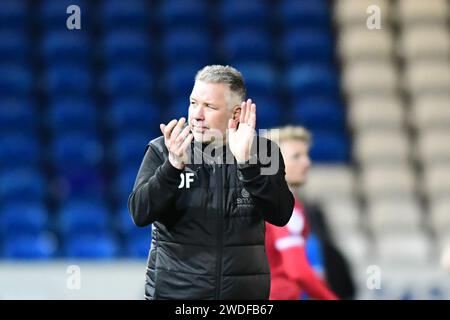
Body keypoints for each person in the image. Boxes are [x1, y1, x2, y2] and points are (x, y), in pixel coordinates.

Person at [128, 65, 294, 300]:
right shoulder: (164, 149)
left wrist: (247, 162)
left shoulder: (264, 152)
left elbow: (280, 214)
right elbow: (139, 213)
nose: (197, 114)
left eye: (209, 107)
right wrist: (172, 167)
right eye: (194, 103)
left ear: (235, 114)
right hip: (175, 295)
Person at [264, 126, 339, 300]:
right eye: (296, 156)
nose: (307, 162)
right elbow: (297, 271)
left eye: (306, 155)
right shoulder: (283, 205)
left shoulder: (257, 200)